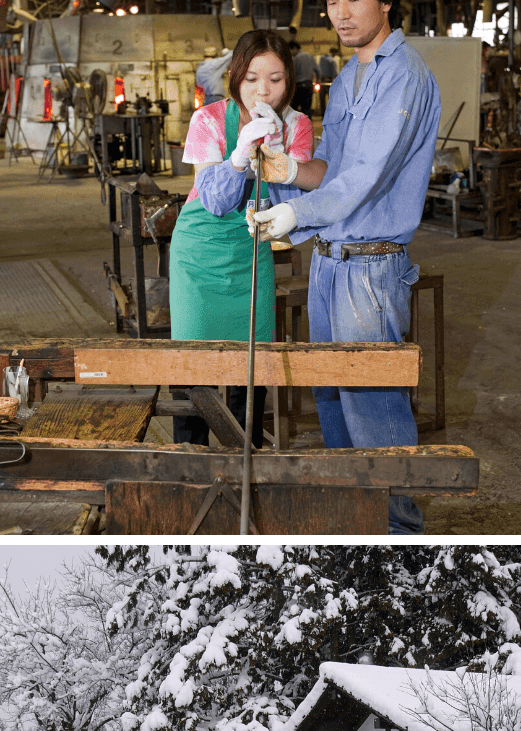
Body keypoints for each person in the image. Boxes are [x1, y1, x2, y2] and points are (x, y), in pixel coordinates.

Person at [252, 0, 439, 535]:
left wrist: (299, 211)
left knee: (374, 415)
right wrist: (286, 175)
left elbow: (368, 177)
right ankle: (355, 531)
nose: (340, 12)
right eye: (331, 1)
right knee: (333, 408)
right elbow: (331, 170)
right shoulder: (347, 78)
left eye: (353, 0)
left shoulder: (404, 75)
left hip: (370, 271)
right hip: (329, 266)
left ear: (384, 3)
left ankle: (401, 538)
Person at [169, 29, 313, 447]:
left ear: (290, 81)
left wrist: (275, 153)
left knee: (252, 369)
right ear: (234, 77)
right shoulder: (208, 120)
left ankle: (242, 462)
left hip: (252, 255)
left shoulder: (297, 126)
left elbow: (294, 193)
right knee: (193, 367)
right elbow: (213, 202)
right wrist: (238, 157)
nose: (262, 91)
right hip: (198, 257)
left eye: (275, 79)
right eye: (251, 78)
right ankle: (191, 464)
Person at [290, 41, 318, 117]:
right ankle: (308, 127)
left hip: (299, 86)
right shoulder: (310, 56)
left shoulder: (295, 58)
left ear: (295, 48)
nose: (290, 53)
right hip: (309, 85)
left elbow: (293, 74)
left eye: (290, 50)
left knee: (293, 109)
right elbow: (318, 70)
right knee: (307, 109)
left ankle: (294, 128)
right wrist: (318, 81)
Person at [317, 47, 340, 114]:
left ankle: (322, 114)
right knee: (332, 98)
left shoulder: (322, 58)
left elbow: (319, 69)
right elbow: (334, 73)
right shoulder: (331, 60)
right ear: (334, 53)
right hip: (329, 81)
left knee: (322, 98)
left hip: (322, 80)